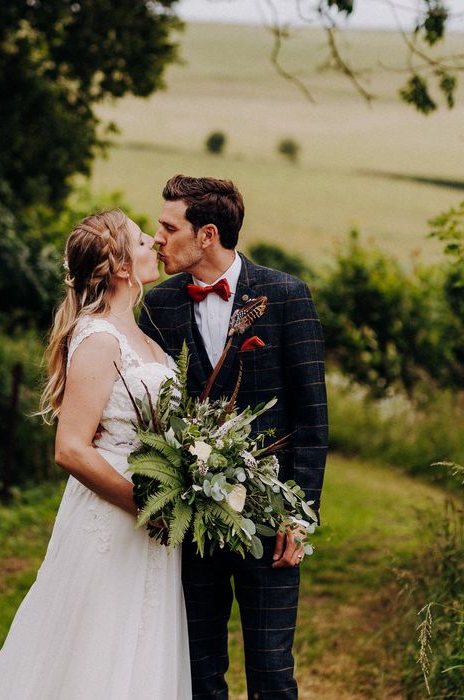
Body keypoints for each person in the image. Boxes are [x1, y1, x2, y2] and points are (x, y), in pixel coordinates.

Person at [0, 210, 191, 699]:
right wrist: (144, 504)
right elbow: (70, 448)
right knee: (95, 651)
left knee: (139, 647)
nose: (153, 244)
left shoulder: (147, 340)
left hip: (155, 527)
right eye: (140, 240)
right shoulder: (98, 338)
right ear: (119, 266)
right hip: (114, 518)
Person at [139, 175, 328, 700]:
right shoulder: (159, 306)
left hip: (270, 519)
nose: (158, 237)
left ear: (207, 235)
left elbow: (312, 422)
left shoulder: (287, 296)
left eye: (168, 226)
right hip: (190, 523)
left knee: (270, 672)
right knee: (199, 672)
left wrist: (301, 515)